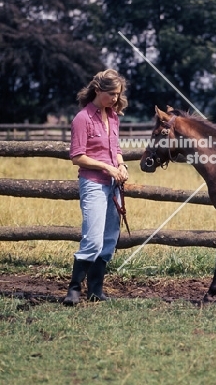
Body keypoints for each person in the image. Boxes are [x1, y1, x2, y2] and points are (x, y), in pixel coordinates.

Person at [63, 69, 129, 306]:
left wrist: (121, 166)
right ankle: (73, 289)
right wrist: (108, 168)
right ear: (98, 91)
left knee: (110, 238)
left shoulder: (113, 116)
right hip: (93, 184)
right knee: (93, 239)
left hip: (113, 185)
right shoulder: (82, 119)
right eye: (111, 94)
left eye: (117, 94)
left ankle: (95, 290)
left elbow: (116, 149)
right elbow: (77, 156)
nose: (115, 99)